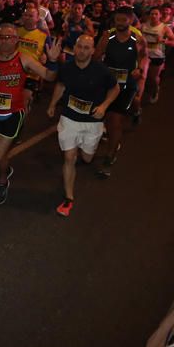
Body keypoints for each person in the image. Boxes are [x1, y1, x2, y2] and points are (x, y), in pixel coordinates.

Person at [0, 23, 61, 204]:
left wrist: (54, 61)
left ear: (17, 40)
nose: (4, 41)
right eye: (1, 37)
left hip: (13, 114)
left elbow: (48, 76)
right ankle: (5, 169)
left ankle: (2, 181)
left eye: (9, 37)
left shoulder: (24, 59)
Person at [46, 34, 119, 217]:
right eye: (79, 46)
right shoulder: (67, 68)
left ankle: (95, 143)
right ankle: (68, 198)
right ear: (74, 48)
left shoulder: (101, 71)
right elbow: (61, 85)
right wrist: (52, 104)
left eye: (87, 48)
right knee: (69, 157)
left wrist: (104, 106)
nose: (82, 51)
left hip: (92, 122)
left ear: (93, 51)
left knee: (86, 158)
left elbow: (115, 88)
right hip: (69, 118)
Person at [93, 6, 147, 177]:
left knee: (115, 120)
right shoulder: (107, 36)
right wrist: (102, 69)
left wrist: (139, 70)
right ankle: (106, 144)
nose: (120, 23)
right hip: (108, 84)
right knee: (104, 118)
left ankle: (110, 156)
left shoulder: (137, 38)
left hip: (126, 85)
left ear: (131, 20)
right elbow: (96, 57)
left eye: (124, 20)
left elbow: (143, 58)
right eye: (118, 20)